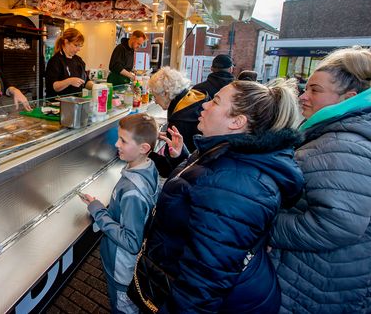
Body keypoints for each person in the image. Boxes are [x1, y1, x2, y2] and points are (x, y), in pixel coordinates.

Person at [130, 79, 304, 313]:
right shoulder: (225, 152)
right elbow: (202, 187)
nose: (204, 105)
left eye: (215, 101)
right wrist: (182, 158)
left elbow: (202, 283)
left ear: (236, 122)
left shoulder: (235, 187)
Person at [269, 46, 371, 314]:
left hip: (322, 280)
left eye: (315, 91)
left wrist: (264, 223)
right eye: (306, 88)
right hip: (324, 274)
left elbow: (335, 223)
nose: (304, 96)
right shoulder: (339, 133)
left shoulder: (345, 144)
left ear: (349, 97)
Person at [81, 113, 160, 314]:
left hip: (122, 269)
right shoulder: (149, 167)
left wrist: (99, 211)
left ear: (143, 149)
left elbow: (131, 241)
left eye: (123, 140)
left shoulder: (132, 190)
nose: (116, 144)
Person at [147, 67, 207, 174]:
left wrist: (146, 153)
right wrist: (167, 135)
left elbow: (169, 168)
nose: (155, 102)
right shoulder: (195, 96)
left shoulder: (180, 119)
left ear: (165, 93)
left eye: (155, 97)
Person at [44, 28, 93, 98]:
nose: (79, 49)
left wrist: (96, 87)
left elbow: (86, 81)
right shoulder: (55, 61)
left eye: (80, 46)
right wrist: (69, 81)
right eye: (76, 45)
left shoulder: (79, 60)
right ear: (66, 42)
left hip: (76, 101)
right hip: (58, 104)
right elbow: (54, 86)